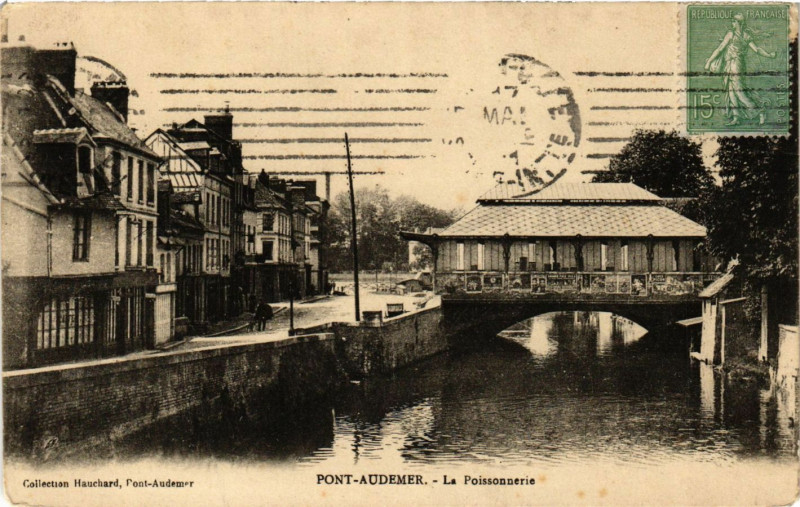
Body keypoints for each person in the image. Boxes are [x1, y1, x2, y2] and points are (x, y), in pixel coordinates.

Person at [704, 13, 777, 126]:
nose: (732, 23)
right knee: (731, 91)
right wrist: (709, 61)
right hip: (730, 64)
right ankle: (736, 117)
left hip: (736, 65)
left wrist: (769, 55)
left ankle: (759, 111)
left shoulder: (736, 35)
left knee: (739, 91)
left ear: (739, 23)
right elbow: (720, 49)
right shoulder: (737, 34)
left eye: (734, 21)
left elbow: (756, 49)